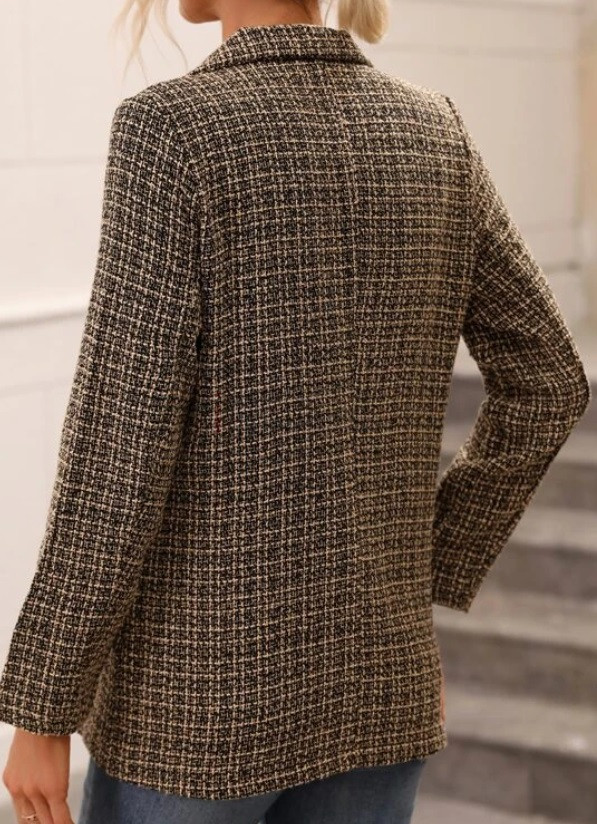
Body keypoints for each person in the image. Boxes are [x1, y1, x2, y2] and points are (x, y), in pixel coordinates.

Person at [0, 0, 591, 822]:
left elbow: (120, 447)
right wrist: (418, 575)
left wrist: (44, 705)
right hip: (379, 686)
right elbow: (549, 380)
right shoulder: (435, 132)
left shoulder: (173, 130)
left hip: (198, 708)